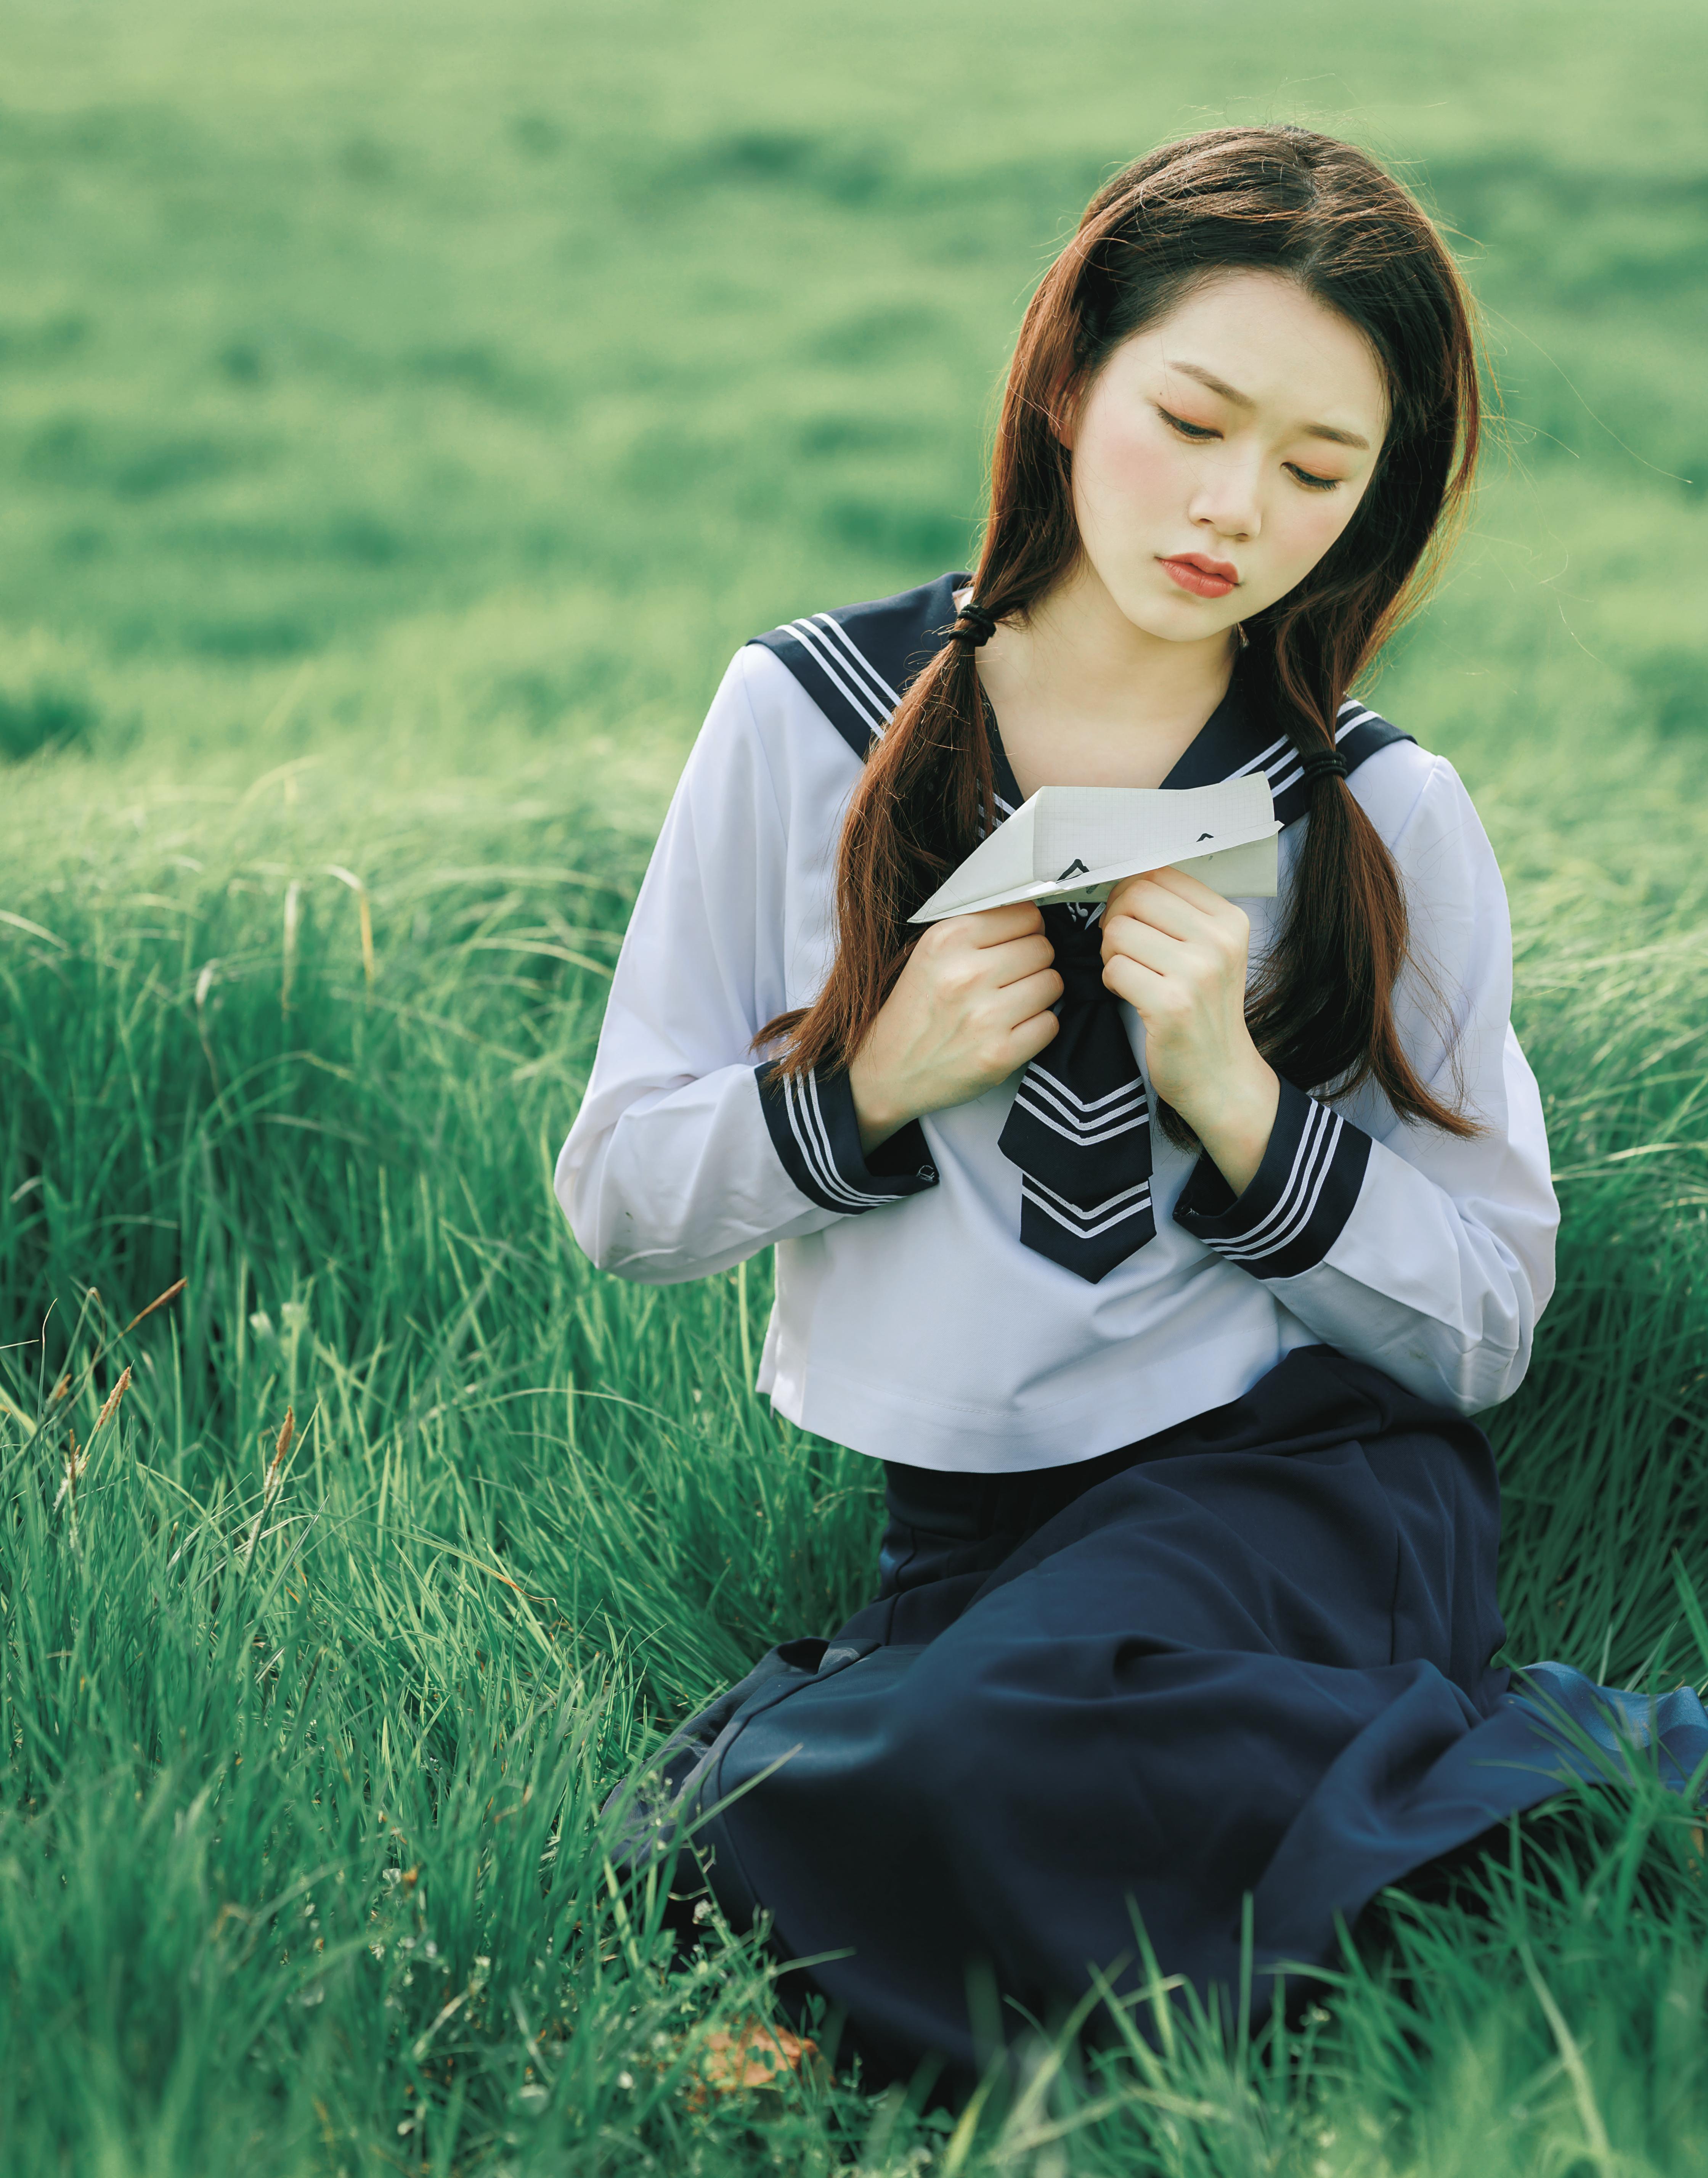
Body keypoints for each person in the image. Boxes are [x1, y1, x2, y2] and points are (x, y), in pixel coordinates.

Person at [556, 126, 1706, 2080]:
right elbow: (619, 1195)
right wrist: (867, 1084)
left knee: (895, 1791)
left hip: (1296, 1478)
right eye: (1192, 418)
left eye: (1317, 472)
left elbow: (1486, 1323)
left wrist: (1245, 1110)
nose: (1232, 509)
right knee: (895, 1780)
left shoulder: (1375, 807)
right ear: (1074, 371)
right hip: (972, 1532)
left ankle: (1604, 1787)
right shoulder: (809, 718)